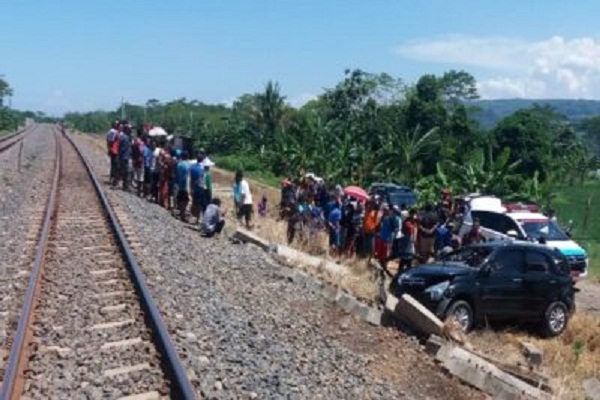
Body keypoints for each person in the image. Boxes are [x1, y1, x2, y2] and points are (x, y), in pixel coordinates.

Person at [375, 204, 396, 276]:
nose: (385, 211)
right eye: (384, 210)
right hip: (381, 238)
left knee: (385, 255)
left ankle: (384, 268)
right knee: (380, 254)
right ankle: (381, 267)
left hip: (387, 239)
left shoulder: (391, 218)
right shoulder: (382, 218)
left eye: (386, 210)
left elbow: (395, 228)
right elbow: (379, 226)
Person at [397, 209, 417, 274]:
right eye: (413, 214)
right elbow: (408, 231)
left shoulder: (413, 222)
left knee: (408, 259)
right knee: (404, 259)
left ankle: (407, 272)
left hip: (410, 242)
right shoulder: (407, 222)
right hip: (406, 241)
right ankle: (400, 273)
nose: (414, 216)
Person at [189, 151, 207, 224]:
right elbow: (201, 179)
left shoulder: (192, 167)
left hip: (193, 188)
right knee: (199, 205)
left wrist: (191, 188)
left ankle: (194, 216)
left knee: (194, 203)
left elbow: (191, 178)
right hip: (200, 188)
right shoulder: (202, 169)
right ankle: (197, 219)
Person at [176, 151, 190, 222]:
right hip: (185, 185)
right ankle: (182, 215)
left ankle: (181, 213)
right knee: (185, 201)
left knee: (181, 199)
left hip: (179, 184)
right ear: (187, 157)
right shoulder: (187, 165)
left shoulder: (179, 165)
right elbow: (187, 177)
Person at [118, 125, 132, 191]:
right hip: (125, 157)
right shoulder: (126, 138)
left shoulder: (122, 137)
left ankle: (125, 185)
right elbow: (122, 148)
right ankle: (125, 186)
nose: (130, 131)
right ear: (126, 130)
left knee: (125, 171)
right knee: (127, 172)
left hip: (123, 156)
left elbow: (120, 148)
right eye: (129, 129)